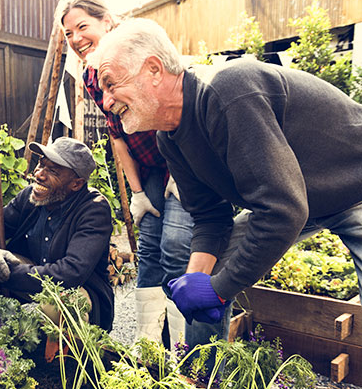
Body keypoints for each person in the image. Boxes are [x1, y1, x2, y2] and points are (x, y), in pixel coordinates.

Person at [87, 18, 362, 335]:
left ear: (153, 69)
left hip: (353, 186)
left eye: (110, 84)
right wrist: (196, 282)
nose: (106, 101)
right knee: (213, 265)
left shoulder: (228, 92)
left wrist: (217, 289)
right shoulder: (169, 139)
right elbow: (209, 216)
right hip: (303, 199)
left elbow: (283, 211)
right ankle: (200, 373)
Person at [55, 0, 198, 349]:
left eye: (82, 27)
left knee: (177, 245)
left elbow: (177, 111)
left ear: (107, 21)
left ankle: (186, 349)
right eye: (68, 33)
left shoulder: (137, 46)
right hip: (150, 165)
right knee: (149, 246)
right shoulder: (93, 75)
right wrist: (136, 192)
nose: (75, 39)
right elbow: (117, 134)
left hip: (184, 161)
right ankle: (149, 346)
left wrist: (181, 173)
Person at [0, 137, 115, 331]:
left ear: (76, 184)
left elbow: (70, 273)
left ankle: (65, 355)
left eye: (52, 171)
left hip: (77, 291)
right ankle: (0, 325)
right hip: (34, 276)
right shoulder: (31, 196)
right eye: (40, 165)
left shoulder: (94, 210)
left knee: (56, 304)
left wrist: (7, 273)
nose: (39, 175)